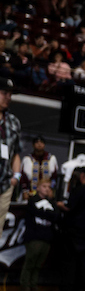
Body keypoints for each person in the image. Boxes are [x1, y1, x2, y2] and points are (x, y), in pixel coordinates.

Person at [20, 178, 58, 291]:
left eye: (49, 187)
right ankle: (25, 287)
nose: (47, 189)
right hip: (35, 236)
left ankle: (34, 286)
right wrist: (47, 214)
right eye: (44, 186)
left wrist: (46, 213)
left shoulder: (51, 202)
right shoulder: (33, 201)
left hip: (46, 237)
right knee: (30, 262)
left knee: (38, 264)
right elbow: (35, 212)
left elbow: (55, 216)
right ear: (38, 187)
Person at [0, 79, 21, 227]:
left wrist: (16, 177)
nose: (8, 97)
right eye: (4, 93)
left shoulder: (14, 122)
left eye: (10, 94)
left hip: (5, 184)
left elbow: (16, 153)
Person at [21, 134, 57, 199]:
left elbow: (54, 177)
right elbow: (23, 177)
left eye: (41, 142)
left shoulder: (51, 158)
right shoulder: (27, 159)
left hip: (46, 192)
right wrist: (24, 191)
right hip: (30, 192)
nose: (39, 144)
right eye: (37, 142)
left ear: (44, 145)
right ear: (33, 145)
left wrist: (51, 189)